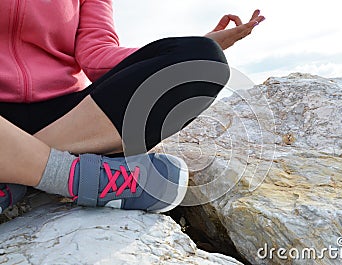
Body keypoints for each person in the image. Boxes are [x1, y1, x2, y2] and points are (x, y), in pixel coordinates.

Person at [0, 1, 265, 214]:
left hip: (69, 121)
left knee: (201, 59)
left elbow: (97, 56)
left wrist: (180, 50)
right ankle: (74, 176)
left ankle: (16, 170)